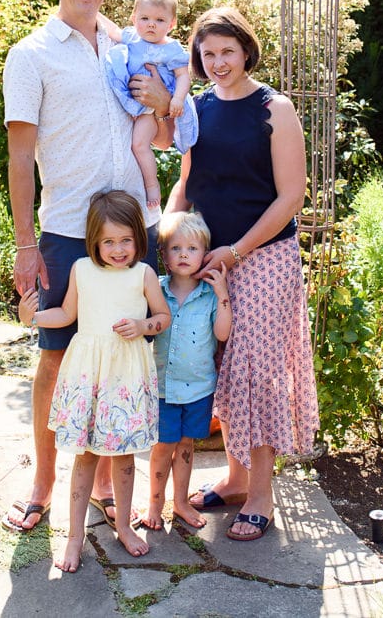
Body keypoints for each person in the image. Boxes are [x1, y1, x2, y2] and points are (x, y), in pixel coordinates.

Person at [2, 0, 174, 532]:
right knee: (56, 358)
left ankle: (104, 480)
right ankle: (43, 483)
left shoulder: (126, 46)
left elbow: (160, 134)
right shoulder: (30, 55)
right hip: (69, 230)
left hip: (130, 230)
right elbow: (20, 159)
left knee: (121, 355)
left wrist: (161, 102)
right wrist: (27, 245)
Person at [165, 6, 319, 541]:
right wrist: (167, 232)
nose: (218, 62)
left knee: (256, 369)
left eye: (227, 51)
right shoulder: (198, 110)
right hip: (205, 257)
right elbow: (185, 181)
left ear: (246, 50)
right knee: (222, 364)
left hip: (265, 258)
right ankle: (233, 479)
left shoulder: (274, 108)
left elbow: (291, 197)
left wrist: (236, 252)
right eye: (207, 54)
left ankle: (260, 495)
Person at [17, 190, 172, 571]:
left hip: (126, 379)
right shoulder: (82, 270)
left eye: (125, 240)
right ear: (94, 242)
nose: (118, 249)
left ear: (138, 238)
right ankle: (74, 537)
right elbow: (66, 314)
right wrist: (31, 318)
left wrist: (142, 326)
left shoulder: (144, 274)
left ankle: (122, 524)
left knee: (122, 459)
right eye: (108, 242)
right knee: (84, 458)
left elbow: (163, 317)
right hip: (89, 377)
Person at [142, 211, 232, 531]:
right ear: (164, 255)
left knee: (185, 446)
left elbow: (222, 334)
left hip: (198, 388)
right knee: (162, 446)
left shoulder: (209, 295)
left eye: (192, 249)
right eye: (176, 248)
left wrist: (222, 294)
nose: (183, 255)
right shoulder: (158, 290)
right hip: (164, 387)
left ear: (204, 254)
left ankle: (180, 502)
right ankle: (154, 503)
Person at [102, 0, 195, 208]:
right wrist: (93, 13)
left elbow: (184, 76)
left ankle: (152, 187)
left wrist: (177, 99)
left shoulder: (171, 49)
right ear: (134, 18)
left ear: (171, 24)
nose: (151, 24)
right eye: (144, 18)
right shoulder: (132, 38)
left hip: (149, 111)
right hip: (129, 103)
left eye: (160, 20)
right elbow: (112, 30)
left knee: (139, 144)